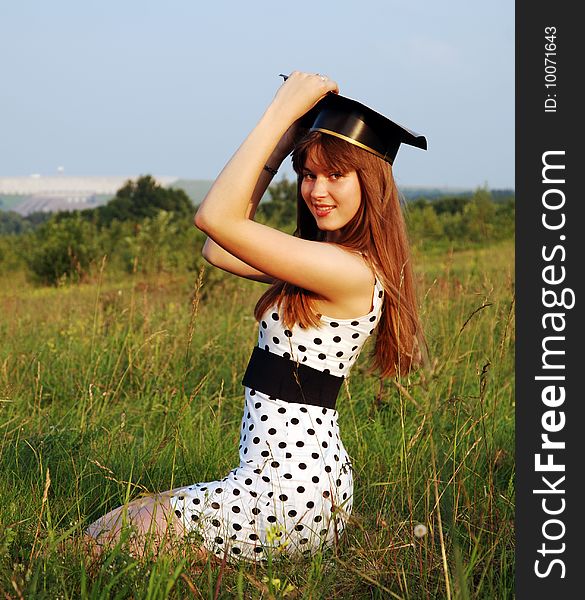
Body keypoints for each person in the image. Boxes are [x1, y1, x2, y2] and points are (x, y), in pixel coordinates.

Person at [85, 71, 427, 561]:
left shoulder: (346, 271)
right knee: (120, 521)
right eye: (307, 173)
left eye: (336, 175)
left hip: (286, 495)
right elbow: (217, 248)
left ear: (369, 184)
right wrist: (285, 144)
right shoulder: (321, 260)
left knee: (93, 546)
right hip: (281, 485)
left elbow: (215, 218)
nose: (317, 190)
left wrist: (279, 114)